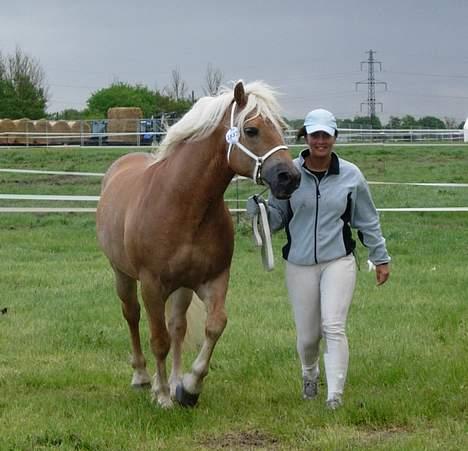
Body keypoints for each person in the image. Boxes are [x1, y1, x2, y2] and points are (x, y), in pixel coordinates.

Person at [247, 108, 390, 409]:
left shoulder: (352, 175)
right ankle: (309, 374)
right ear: (306, 137)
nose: (320, 141)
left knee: (333, 326)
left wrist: (380, 257)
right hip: (299, 264)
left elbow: (367, 219)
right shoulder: (289, 171)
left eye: (326, 135)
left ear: (335, 137)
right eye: (315, 135)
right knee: (309, 336)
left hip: (338, 260)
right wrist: (257, 212)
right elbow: (276, 217)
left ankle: (334, 396)